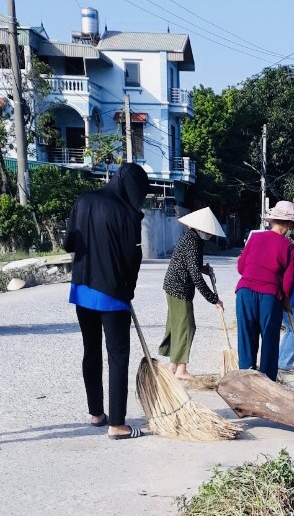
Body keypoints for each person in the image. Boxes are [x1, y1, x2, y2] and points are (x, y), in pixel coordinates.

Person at [64, 163, 150, 440]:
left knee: (91, 351)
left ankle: (96, 413)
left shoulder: (84, 200)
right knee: (117, 357)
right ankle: (117, 424)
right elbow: (132, 259)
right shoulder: (128, 213)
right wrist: (130, 289)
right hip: (113, 295)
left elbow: (69, 243)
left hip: (83, 290)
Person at [235, 201, 294, 381]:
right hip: (269, 297)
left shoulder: (255, 238)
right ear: (290, 224)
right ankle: (267, 385)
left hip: (244, 292)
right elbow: (288, 283)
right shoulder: (290, 249)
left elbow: (242, 268)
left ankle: (246, 382)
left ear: (273, 220)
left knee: (246, 338)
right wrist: (286, 301)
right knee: (270, 341)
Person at [158, 207, 224, 381]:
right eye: (207, 231)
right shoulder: (193, 241)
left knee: (176, 325)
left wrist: (204, 269)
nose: (209, 235)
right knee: (187, 326)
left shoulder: (192, 239)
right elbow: (194, 274)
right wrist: (213, 299)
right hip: (179, 288)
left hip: (173, 285)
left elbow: (190, 265)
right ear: (200, 228)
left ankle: (173, 364)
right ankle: (181, 369)